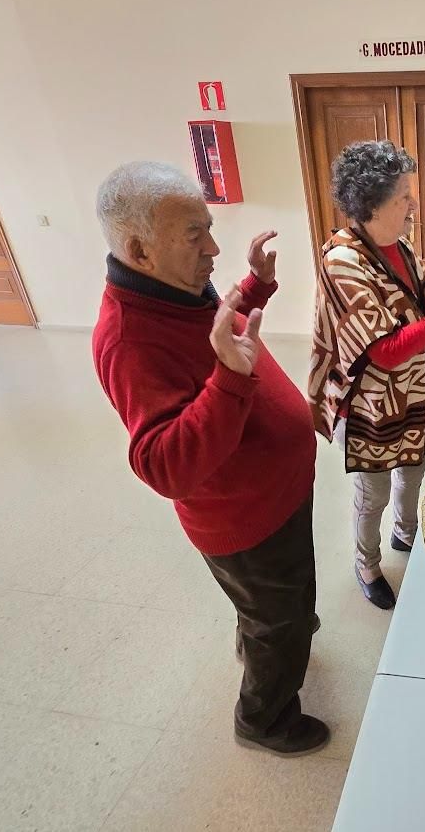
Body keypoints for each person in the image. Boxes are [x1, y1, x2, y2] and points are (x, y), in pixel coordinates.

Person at [91, 161, 328, 756]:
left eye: (208, 227)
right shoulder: (127, 338)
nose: (214, 249)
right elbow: (163, 465)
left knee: (286, 602)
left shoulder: (176, 289)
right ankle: (264, 720)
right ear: (140, 250)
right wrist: (229, 377)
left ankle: (273, 632)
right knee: (277, 620)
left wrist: (252, 290)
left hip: (277, 495)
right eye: (194, 236)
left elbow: (219, 331)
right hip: (242, 520)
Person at [309, 140, 425, 610]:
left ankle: (406, 535)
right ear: (371, 206)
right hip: (372, 403)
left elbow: (422, 319)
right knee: (375, 489)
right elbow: (384, 352)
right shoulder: (341, 261)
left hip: (413, 392)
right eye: (403, 197)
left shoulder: (402, 248)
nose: (414, 205)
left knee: (414, 468)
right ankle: (366, 564)